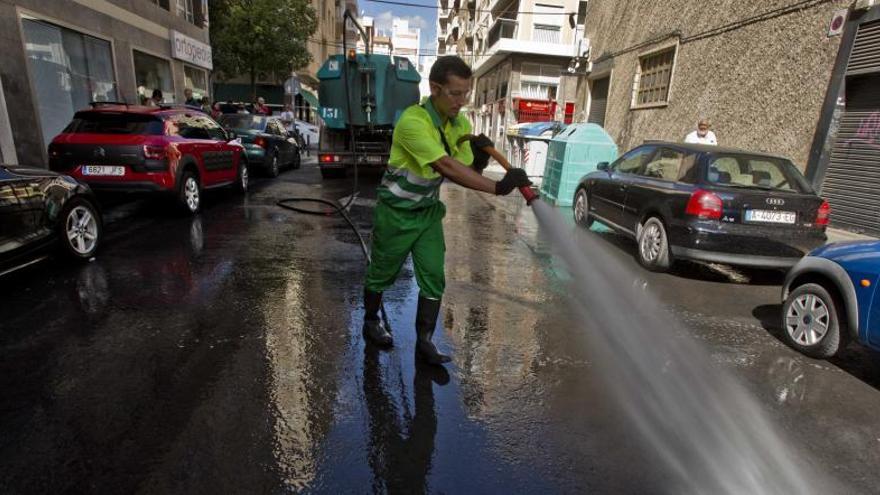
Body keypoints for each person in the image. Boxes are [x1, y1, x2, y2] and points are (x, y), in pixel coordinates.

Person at [361, 55, 532, 366]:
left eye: (466, 93)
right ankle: (371, 320)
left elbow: (464, 167)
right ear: (435, 88)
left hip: (426, 213)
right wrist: (498, 187)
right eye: (455, 93)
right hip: (396, 213)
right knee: (382, 273)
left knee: (433, 276)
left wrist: (480, 160)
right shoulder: (413, 122)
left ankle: (424, 340)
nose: (462, 102)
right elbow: (446, 166)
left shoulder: (460, 124)